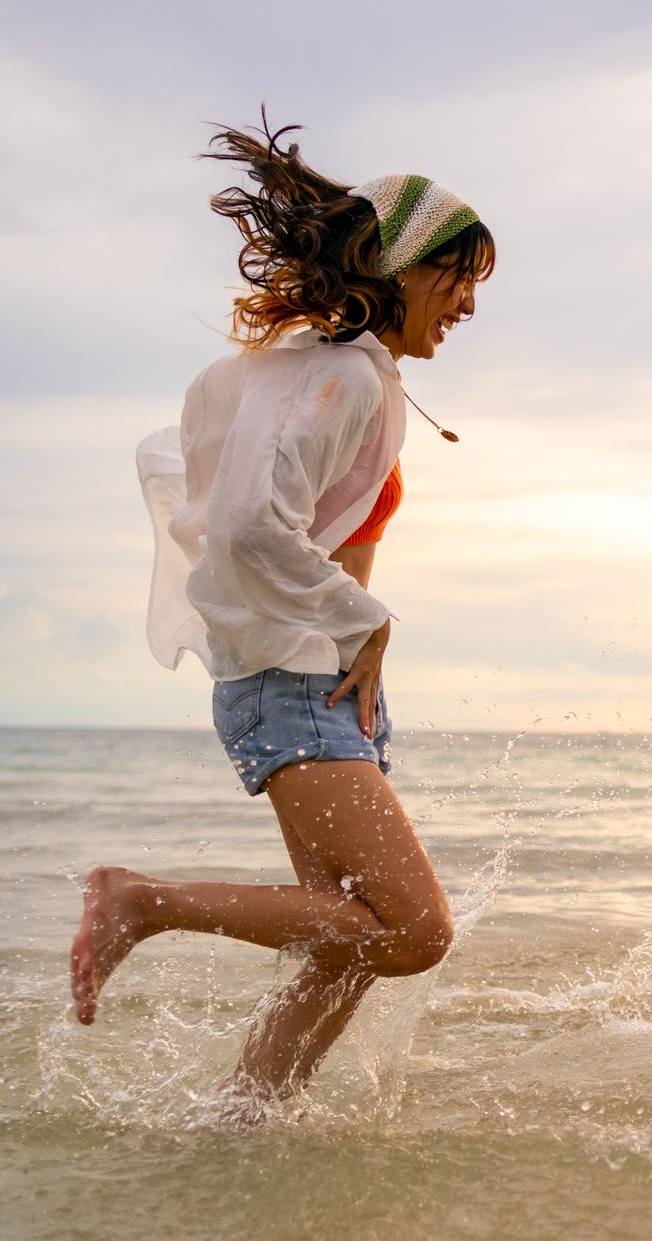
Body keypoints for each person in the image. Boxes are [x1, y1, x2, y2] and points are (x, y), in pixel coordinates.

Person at [70, 117, 496, 1108]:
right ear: (396, 268)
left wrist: (349, 636)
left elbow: (250, 507)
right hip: (295, 680)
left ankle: (242, 1123)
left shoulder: (332, 370)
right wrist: (364, 615)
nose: (470, 304)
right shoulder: (340, 374)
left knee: (341, 939)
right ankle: (142, 900)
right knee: (413, 930)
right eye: (456, 276)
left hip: (314, 684)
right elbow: (247, 524)